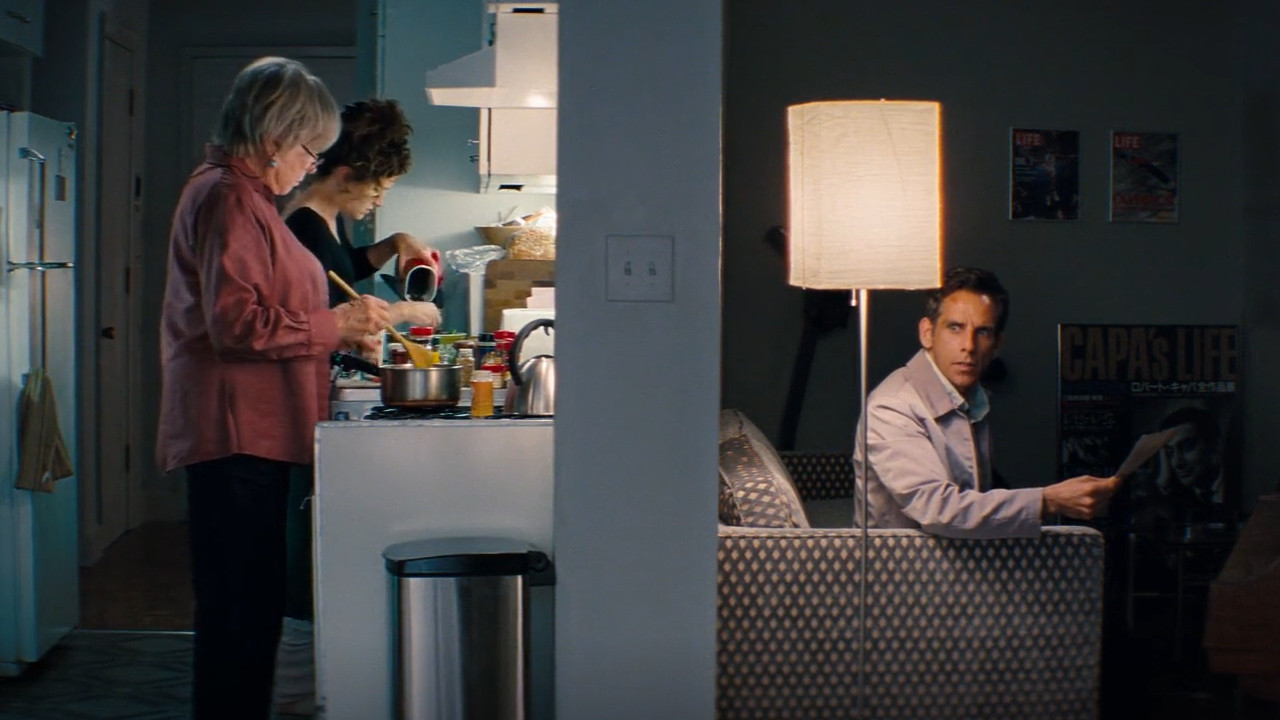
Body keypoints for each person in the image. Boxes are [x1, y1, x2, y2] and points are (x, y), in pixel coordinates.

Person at [156, 56, 390, 720]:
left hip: (252, 433)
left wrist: (340, 335)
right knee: (240, 616)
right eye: (310, 150)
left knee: (247, 613)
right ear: (274, 137)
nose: (312, 166)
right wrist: (335, 325)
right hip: (236, 434)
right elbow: (237, 326)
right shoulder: (229, 199)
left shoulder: (243, 196)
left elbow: (268, 310)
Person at [855, 266, 1120, 539]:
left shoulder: (972, 398)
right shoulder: (892, 406)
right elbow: (939, 511)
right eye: (955, 328)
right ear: (927, 333)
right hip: (898, 566)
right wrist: (1047, 500)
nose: (969, 346)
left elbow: (972, 507)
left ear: (996, 345)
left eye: (982, 332)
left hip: (959, 561)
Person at [282, 97, 442, 326]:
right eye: (376, 190)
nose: (380, 202)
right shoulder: (305, 227)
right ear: (344, 177)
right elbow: (311, 324)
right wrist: (401, 312)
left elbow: (344, 268)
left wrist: (396, 242)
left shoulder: (327, 213)